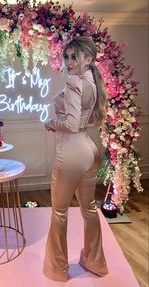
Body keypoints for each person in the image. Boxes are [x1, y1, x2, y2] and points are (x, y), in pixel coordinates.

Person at [43, 36, 109, 282]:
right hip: (90, 151)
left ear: (89, 59)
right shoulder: (92, 82)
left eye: (75, 57)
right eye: (67, 56)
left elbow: (70, 125)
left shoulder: (74, 83)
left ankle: (58, 269)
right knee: (89, 209)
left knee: (59, 212)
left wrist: (51, 123)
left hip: (70, 154)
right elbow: (87, 120)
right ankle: (96, 262)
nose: (69, 62)